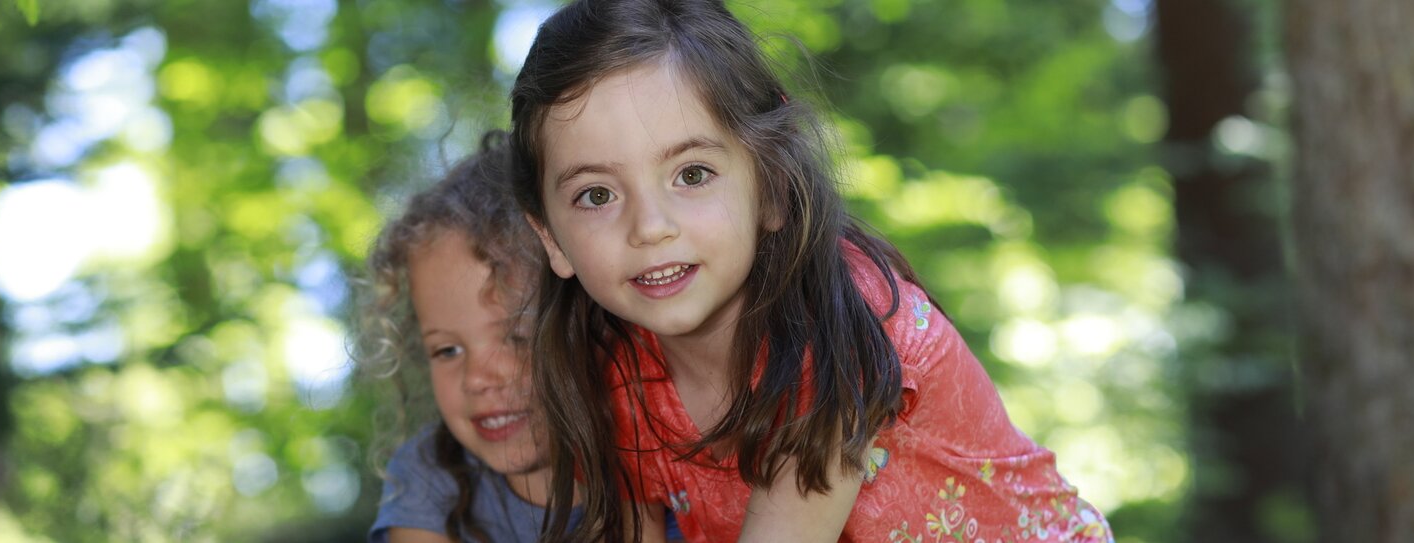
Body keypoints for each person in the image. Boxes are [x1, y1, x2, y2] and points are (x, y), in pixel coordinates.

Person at [506, 1, 1114, 541]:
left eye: (692, 175)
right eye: (596, 195)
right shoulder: (619, 374)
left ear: (771, 187)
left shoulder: (848, 318)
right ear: (551, 239)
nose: (649, 227)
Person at [359, 132, 567, 542]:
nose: (476, 378)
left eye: (515, 335)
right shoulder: (429, 475)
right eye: (447, 349)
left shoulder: (669, 454)